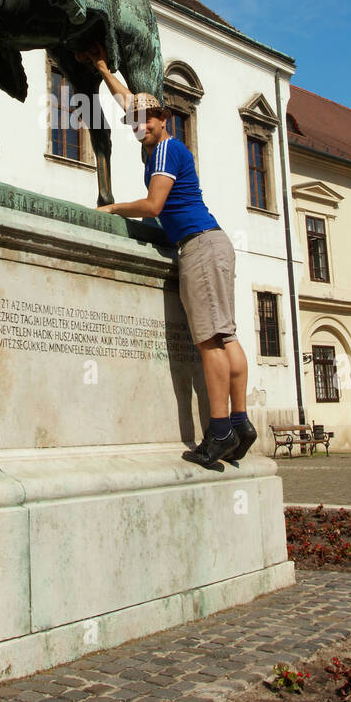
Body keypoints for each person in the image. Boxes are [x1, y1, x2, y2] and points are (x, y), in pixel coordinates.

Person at [80, 43, 257, 470]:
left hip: (198, 246)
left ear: (163, 119)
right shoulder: (162, 143)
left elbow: (155, 206)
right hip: (214, 242)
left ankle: (218, 432)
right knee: (227, 335)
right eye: (134, 122)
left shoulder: (164, 150)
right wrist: (104, 68)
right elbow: (130, 101)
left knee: (210, 340)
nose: (138, 125)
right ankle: (241, 421)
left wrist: (112, 208)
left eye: (145, 119)